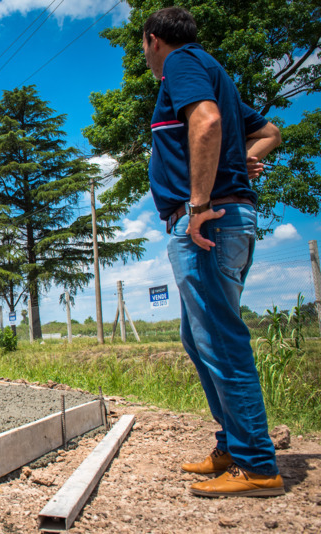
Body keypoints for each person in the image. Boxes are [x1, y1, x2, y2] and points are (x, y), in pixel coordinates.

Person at [142, 7, 283, 497]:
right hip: (222, 219)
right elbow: (269, 133)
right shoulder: (211, 70)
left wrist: (198, 205)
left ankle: (257, 464)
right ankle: (232, 444)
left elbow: (206, 122)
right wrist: (246, 157)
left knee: (220, 341)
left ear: (153, 40)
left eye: (144, 46)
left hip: (208, 222)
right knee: (199, 339)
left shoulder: (180, 65)